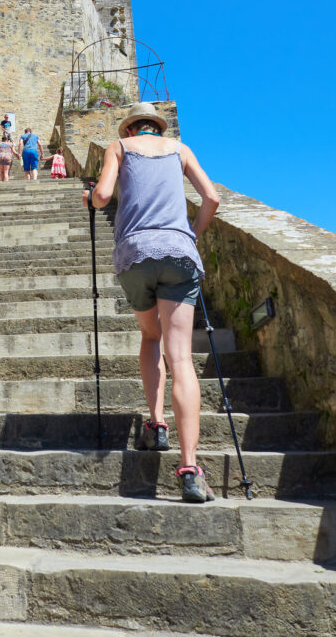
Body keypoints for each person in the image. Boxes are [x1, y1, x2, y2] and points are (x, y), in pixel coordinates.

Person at [82, 102, 220, 503]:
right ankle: (190, 469)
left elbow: (104, 195)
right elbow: (211, 198)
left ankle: (156, 424)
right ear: (157, 127)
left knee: (149, 335)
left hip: (135, 255)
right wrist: (191, 234)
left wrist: (91, 196)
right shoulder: (180, 149)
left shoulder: (120, 147)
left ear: (130, 128)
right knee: (181, 359)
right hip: (178, 252)